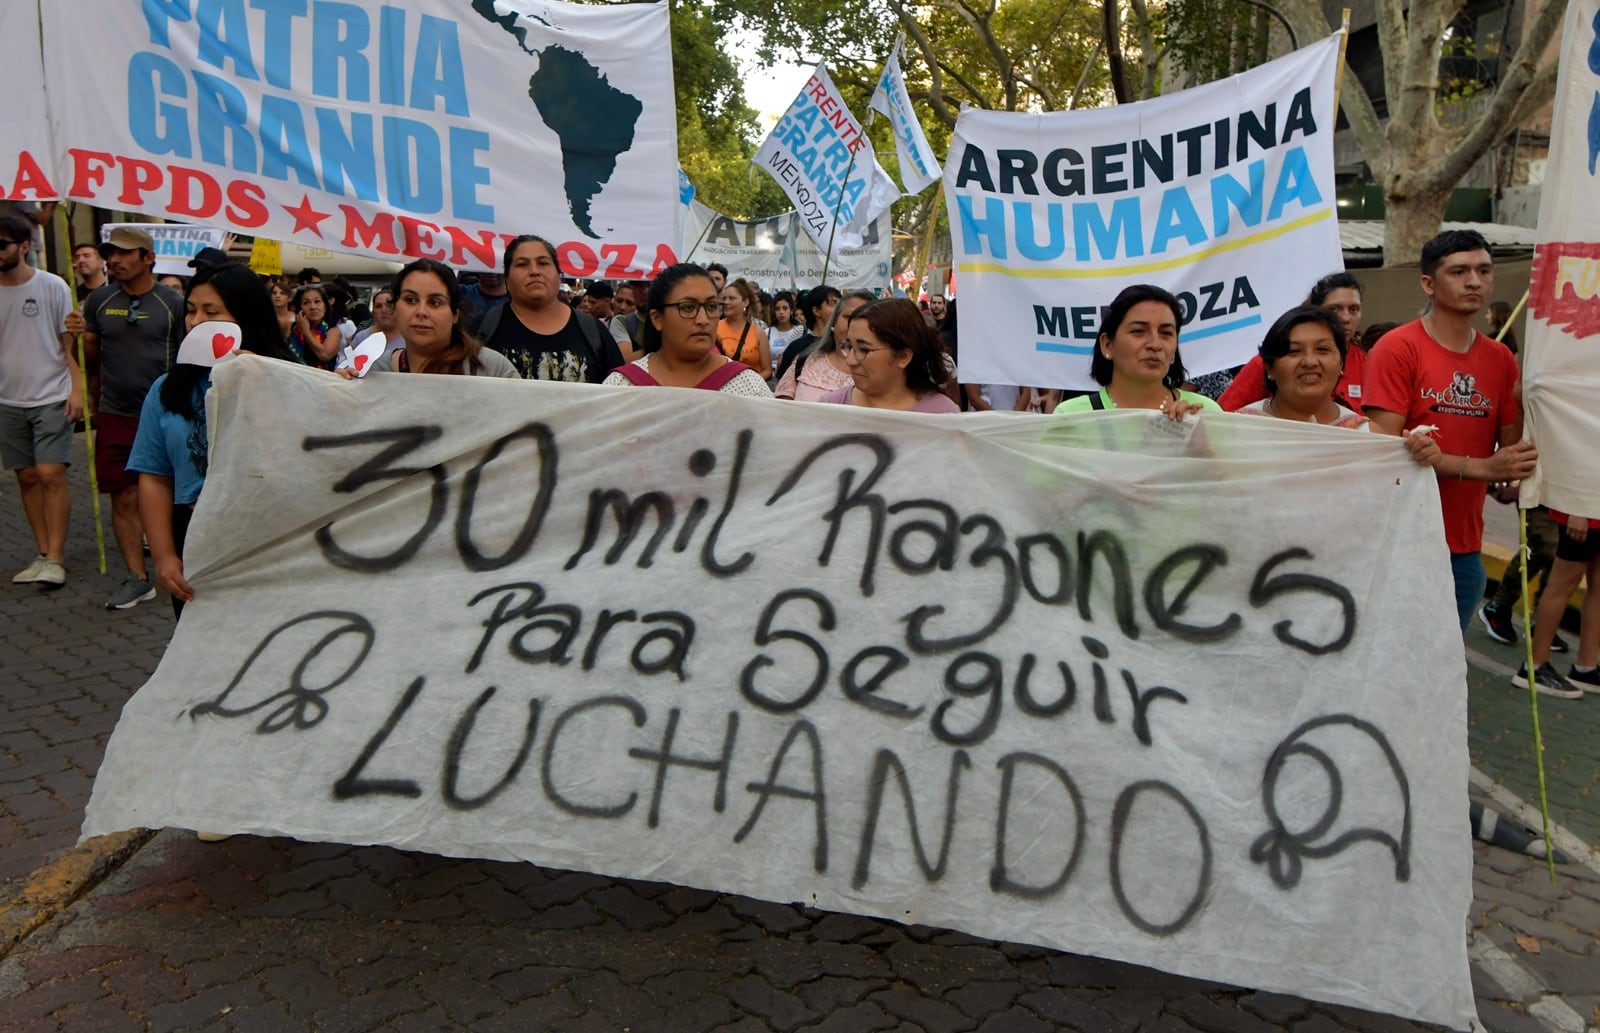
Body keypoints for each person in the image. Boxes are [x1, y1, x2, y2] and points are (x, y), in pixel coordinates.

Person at [1363, 229, 1536, 634]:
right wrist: (1479, 468)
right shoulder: (1398, 348)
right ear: (1428, 283)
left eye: (1483, 270)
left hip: (1463, 548)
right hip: (1399, 543)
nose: (1474, 281)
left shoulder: (1500, 359)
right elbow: (1384, 449)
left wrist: (1529, 399)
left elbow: (1509, 456)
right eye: (1459, 271)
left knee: (1443, 684)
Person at [127, 262, 298, 618]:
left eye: (212, 312)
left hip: (273, 540)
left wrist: (268, 384)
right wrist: (164, 556)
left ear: (245, 318)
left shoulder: (289, 379)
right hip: (195, 537)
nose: (196, 322)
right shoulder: (166, 390)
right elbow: (155, 477)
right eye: (190, 310)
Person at [67, 225, 185, 610]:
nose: (113, 259)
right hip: (114, 413)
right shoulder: (98, 301)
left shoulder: (172, 303)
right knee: (123, 494)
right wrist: (78, 337)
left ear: (148, 258)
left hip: (164, 412)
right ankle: (137, 577)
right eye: (110, 253)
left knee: (172, 495)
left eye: (124, 253)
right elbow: (92, 357)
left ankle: (179, 563)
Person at [1, 216, 83, 588]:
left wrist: (77, 389)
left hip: (51, 392)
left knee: (51, 473)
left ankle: (56, 556)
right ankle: (41, 552)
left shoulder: (52, 285)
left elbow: (69, 344)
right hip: (8, 397)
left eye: (2, 244)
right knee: (27, 476)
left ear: (22, 246)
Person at [1054, 284, 1221, 419]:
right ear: (1107, 345)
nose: (1155, 345)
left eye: (1166, 333)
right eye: (1138, 331)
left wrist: (1196, 441)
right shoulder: (1071, 416)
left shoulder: (1204, 412)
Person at [602, 263, 773, 395]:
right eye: (688, 308)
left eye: (712, 306)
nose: (703, 320)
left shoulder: (749, 387)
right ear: (657, 319)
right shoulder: (621, 387)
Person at [478, 235, 624, 382]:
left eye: (543, 263)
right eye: (522, 264)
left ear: (559, 275)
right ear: (507, 277)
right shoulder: (484, 329)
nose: (534, 271)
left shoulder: (594, 332)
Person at [1220, 272, 1368, 412]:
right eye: (1334, 309)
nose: (1345, 318)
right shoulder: (1273, 359)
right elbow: (1222, 416)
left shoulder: (1366, 363)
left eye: (1354, 309)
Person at [364, 260, 520, 378]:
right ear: (395, 309)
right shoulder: (378, 370)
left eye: (435, 302)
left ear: (455, 314)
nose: (421, 312)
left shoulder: (493, 370)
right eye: (410, 300)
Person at [1511, 508, 1600, 698]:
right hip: (1587, 506)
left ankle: (1586, 668)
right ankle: (1534, 666)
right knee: (1563, 582)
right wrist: (1579, 510)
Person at [1234, 307, 1371, 428]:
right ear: (1269, 367)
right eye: (1294, 351)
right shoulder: (1238, 430)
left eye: (1322, 349)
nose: (1310, 362)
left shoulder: (1365, 436)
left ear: (1341, 362)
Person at [817, 298, 959, 413]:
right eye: (848, 347)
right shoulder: (829, 408)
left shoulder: (942, 415)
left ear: (903, 357)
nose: (850, 361)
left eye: (863, 349)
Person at [775, 290, 874, 401]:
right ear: (834, 321)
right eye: (849, 317)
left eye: (864, 319)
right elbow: (781, 407)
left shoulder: (882, 373)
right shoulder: (807, 359)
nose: (855, 325)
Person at [772, 284, 840, 386]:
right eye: (832, 303)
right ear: (816, 310)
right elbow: (781, 385)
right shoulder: (797, 347)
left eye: (839, 303)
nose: (839, 308)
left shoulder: (843, 345)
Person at [716, 278, 772, 380]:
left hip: (749, 391)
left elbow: (767, 370)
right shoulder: (714, 328)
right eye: (724, 298)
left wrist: (751, 384)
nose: (726, 302)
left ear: (745, 302)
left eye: (732, 298)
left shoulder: (758, 332)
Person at [768, 290, 806, 361]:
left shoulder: (799, 331)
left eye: (785, 308)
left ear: (791, 310)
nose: (781, 312)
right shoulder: (767, 332)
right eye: (777, 309)